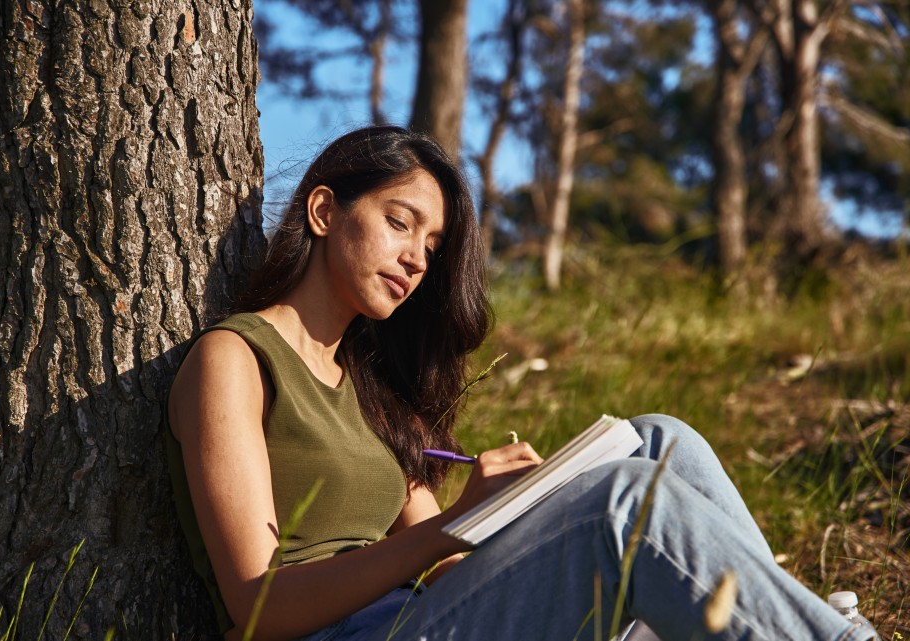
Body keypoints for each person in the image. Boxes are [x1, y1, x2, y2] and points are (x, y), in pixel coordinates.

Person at [165, 126, 879, 641]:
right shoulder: (235, 358)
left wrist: (511, 513)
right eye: (399, 222)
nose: (416, 259)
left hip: (427, 615)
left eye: (432, 246)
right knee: (623, 503)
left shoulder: (373, 387)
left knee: (662, 441)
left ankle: (804, 624)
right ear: (324, 211)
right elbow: (257, 605)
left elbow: (440, 567)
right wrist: (452, 525)